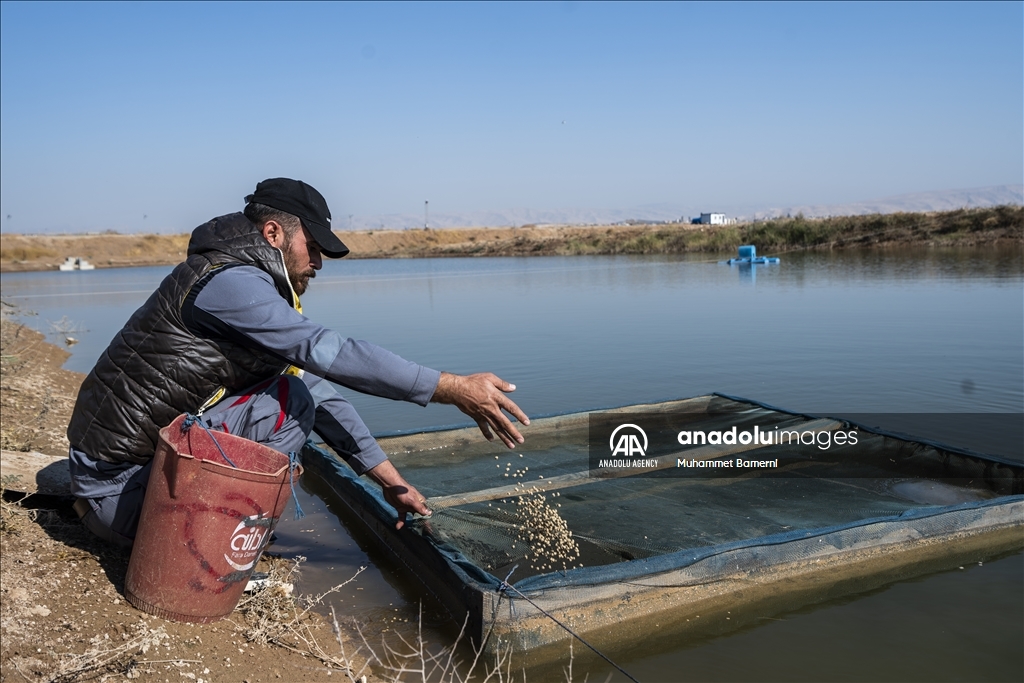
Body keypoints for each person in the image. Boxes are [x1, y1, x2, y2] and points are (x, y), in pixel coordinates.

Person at [66, 177, 529, 547]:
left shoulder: (236, 281)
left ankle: (210, 528)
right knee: (289, 402)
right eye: (314, 247)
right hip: (121, 497)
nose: (320, 264)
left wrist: (391, 482)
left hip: (113, 484)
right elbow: (331, 354)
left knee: (300, 393)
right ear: (274, 234)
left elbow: (323, 392)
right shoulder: (231, 284)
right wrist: (450, 387)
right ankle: (212, 544)